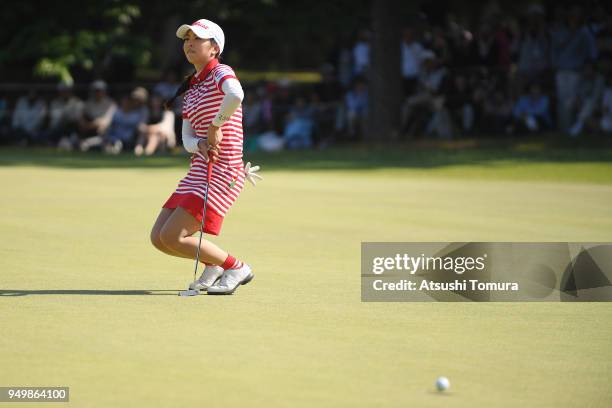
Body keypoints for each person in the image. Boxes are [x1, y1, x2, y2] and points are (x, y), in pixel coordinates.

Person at [151, 19, 261, 295]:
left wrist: (215, 126)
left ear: (214, 48)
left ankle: (237, 267)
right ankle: (214, 265)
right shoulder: (191, 88)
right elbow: (186, 138)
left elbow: (236, 94)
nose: (189, 43)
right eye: (186, 39)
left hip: (223, 172)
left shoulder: (221, 72)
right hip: (198, 170)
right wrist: (200, 142)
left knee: (173, 236)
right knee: (159, 239)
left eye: (197, 39)